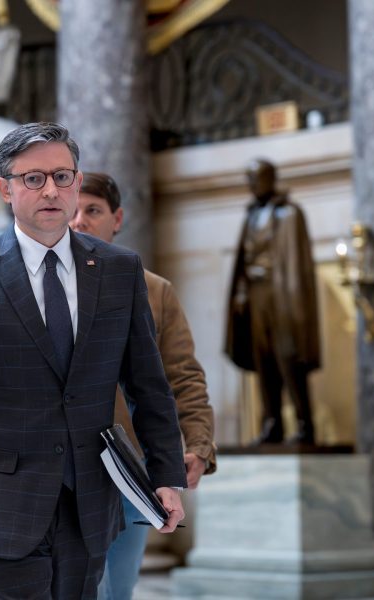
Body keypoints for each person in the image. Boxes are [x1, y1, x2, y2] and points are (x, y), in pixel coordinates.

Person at [0, 122, 187, 599]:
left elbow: (148, 384)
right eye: (33, 179)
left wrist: (166, 475)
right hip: (3, 500)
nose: (51, 190)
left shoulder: (120, 271)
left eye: (62, 176)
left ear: (78, 182)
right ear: (5, 189)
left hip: (90, 497)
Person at [70, 172, 216, 599]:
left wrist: (199, 445)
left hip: (132, 467)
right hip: (64, 465)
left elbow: (183, 377)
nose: (80, 220)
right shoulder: (41, 284)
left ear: (117, 219)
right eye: (73, 210)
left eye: (92, 210)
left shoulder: (155, 290)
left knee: (117, 588)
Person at [224, 158, 320, 445]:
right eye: (249, 179)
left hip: (282, 296)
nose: (251, 184)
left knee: (289, 357)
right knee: (264, 360)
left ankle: (304, 424)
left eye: (255, 178)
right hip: (256, 295)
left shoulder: (290, 213)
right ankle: (272, 423)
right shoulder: (251, 215)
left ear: (270, 178)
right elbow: (244, 259)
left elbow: (297, 264)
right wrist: (242, 292)